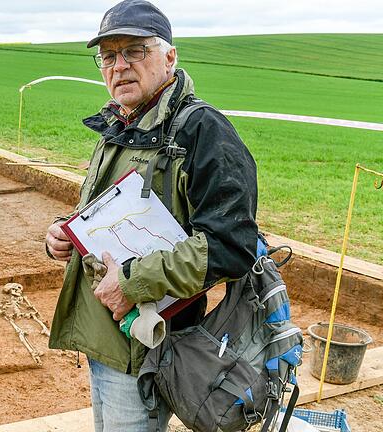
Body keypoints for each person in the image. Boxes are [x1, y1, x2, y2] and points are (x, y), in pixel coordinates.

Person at [45, 1, 259, 431]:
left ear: (170, 57)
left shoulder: (201, 132)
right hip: (104, 336)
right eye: (108, 56)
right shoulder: (122, 125)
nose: (119, 66)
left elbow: (230, 246)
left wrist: (131, 282)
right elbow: (109, 208)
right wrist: (65, 231)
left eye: (134, 51)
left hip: (148, 347)